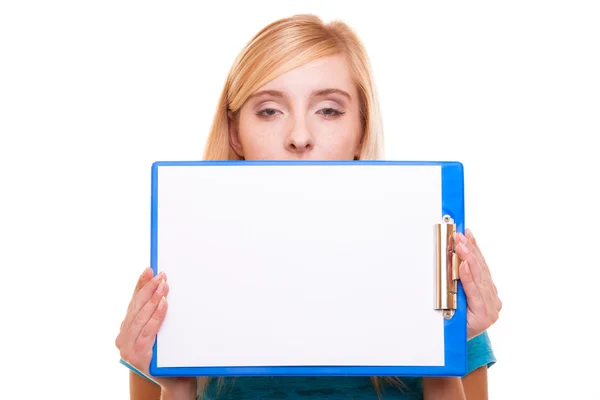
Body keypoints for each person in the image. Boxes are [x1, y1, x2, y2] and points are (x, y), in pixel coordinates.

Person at [115, 13, 502, 400]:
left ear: (361, 131)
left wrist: (442, 353)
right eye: (269, 110)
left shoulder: (437, 283)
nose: (299, 136)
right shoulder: (178, 281)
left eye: (329, 110)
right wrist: (176, 385)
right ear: (235, 134)